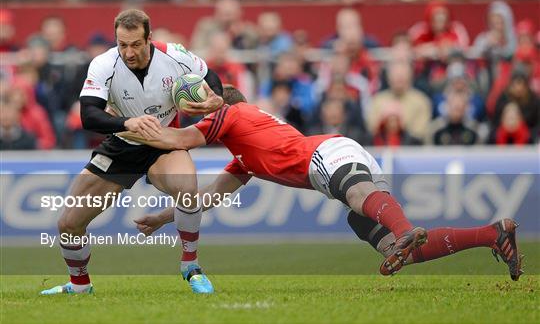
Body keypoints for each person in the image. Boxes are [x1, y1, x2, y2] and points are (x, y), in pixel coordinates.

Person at [120, 86, 523, 280]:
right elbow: (206, 197)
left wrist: (125, 125)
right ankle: (493, 234)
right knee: (370, 226)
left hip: (324, 154)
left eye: (205, 103)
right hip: (333, 158)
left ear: (220, 104)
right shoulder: (242, 156)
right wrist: (163, 217)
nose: (200, 110)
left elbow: (176, 139)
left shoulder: (233, 114)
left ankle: (404, 231)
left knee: (362, 198)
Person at [40, 9, 224, 296]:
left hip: (163, 142)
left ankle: (191, 266)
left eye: (136, 44)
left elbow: (210, 77)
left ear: (149, 38)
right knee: (68, 223)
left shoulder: (174, 55)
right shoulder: (104, 64)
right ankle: (79, 285)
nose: (128, 52)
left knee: (187, 189)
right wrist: (128, 121)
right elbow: (89, 115)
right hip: (122, 144)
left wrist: (215, 98)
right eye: (122, 44)